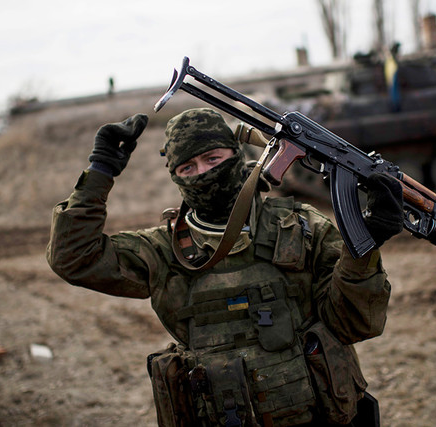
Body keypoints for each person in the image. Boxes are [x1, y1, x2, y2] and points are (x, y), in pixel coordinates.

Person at [47, 108, 404, 427]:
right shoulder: (162, 251)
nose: (203, 172)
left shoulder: (303, 227)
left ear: (237, 156)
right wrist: (101, 170)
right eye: (187, 167)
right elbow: (73, 257)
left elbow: (354, 323)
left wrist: (363, 248)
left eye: (213, 158)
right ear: (176, 177)